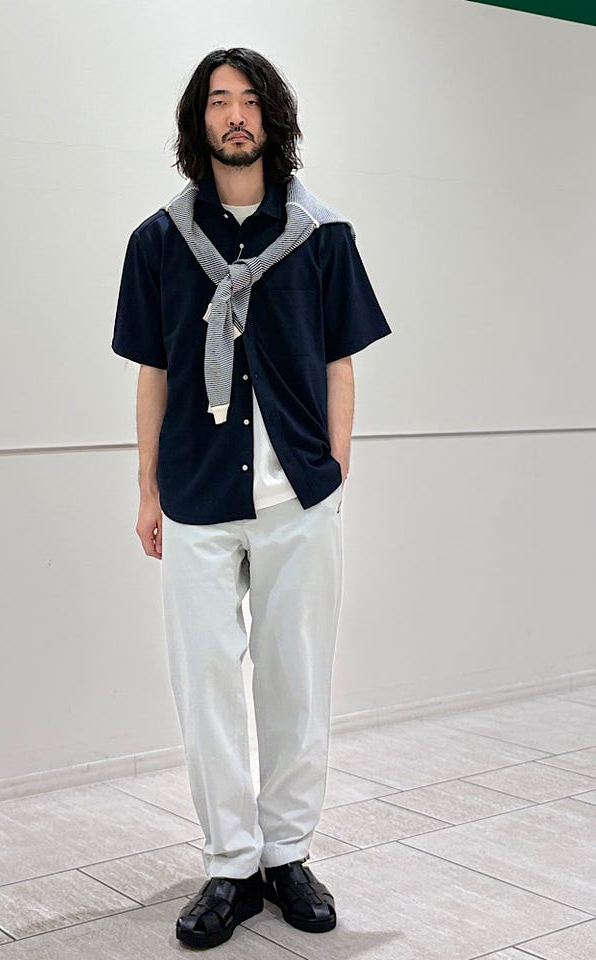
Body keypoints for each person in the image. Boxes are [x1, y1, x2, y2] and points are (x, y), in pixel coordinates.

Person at [112, 47, 391, 949]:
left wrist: (334, 469)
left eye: (248, 101)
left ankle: (288, 855)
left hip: (297, 495)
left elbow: (341, 359)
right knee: (206, 689)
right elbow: (152, 372)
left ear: (272, 116)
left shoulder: (322, 233)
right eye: (217, 102)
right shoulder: (158, 241)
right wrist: (148, 489)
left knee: (296, 680)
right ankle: (230, 864)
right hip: (195, 492)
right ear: (198, 122)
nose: (234, 116)